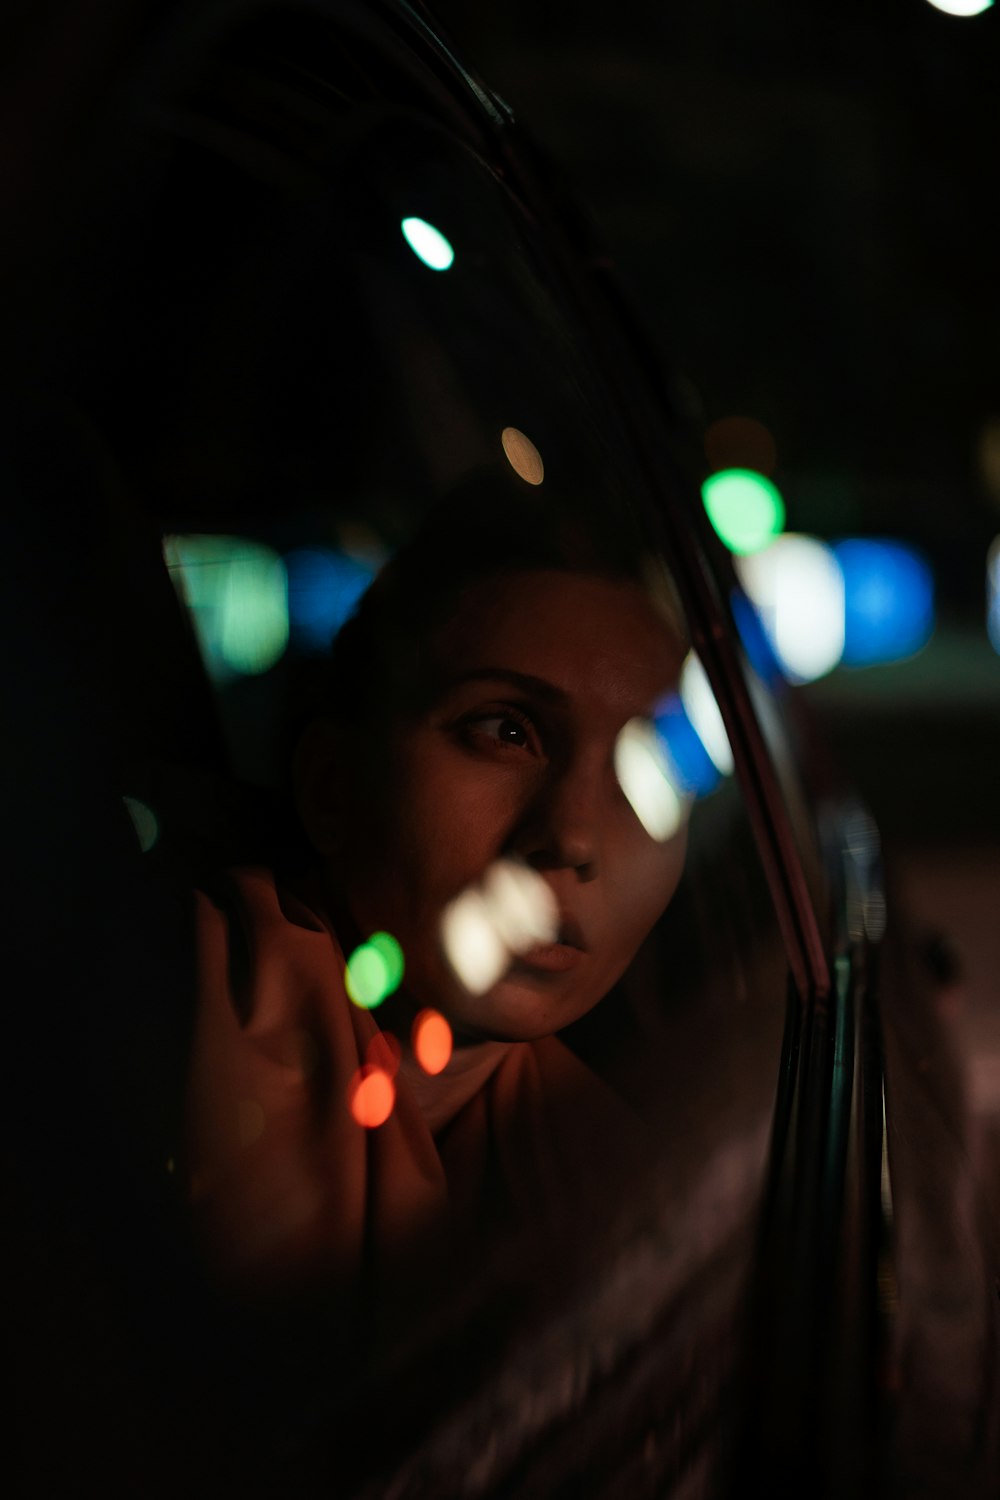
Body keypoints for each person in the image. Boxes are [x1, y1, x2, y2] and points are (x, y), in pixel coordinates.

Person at [184, 482, 690, 1319]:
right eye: (505, 731)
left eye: (655, 767)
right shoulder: (141, 1013)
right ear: (331, 787)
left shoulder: (623, 1190)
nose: (573, 836)